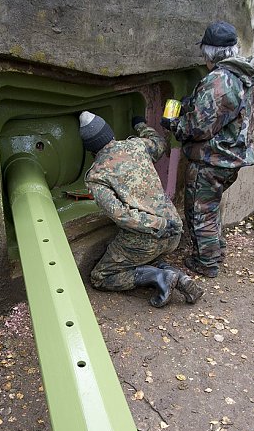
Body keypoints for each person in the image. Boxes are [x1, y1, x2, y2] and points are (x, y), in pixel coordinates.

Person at [161, 21, 254, 277]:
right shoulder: (243, 73)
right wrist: (193, 104)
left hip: (211, 160)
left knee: (199, 212)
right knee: (211, 206)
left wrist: (174, 124)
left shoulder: (218, 80)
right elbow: (225, 114)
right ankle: (216, 250)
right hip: (232, 157)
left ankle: (206, 262)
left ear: (208, 53)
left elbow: (198, 128)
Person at [78, 111, 204, 308]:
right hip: (175, 229)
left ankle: (161, 277)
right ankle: (178, 278)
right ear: (110, 134)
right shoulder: (137, 145)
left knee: (101, 277)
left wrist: (157, 225)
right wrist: (140, 124)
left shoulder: (96, 175)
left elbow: (121, 216)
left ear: (90, 150)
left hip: (149, 237)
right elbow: (159, 143)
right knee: (141, 256)